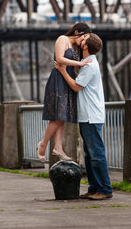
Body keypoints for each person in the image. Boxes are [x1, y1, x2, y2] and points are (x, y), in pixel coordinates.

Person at [55, 33, 113, 200]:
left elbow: (76, 86)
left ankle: (104, 189)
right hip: (87, 115)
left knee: (96, 154)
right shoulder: (87, 64)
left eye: (84, 39)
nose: (81, 39)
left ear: (86, 46)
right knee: (89, 155)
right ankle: (94, 188)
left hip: (91, 115)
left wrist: (62, 70)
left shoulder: (90, 66)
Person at [38, 22, 92, 162]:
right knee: (59, 116)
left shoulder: (74, 47)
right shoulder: (62, 39)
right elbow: (59, 58)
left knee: (62, 116)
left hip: (67, 80)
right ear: (77, 32)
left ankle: (58, 147)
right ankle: (43, 143)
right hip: (58, 80)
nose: (84, 40)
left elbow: (71, 66)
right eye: (84, 36)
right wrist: (79, 63)